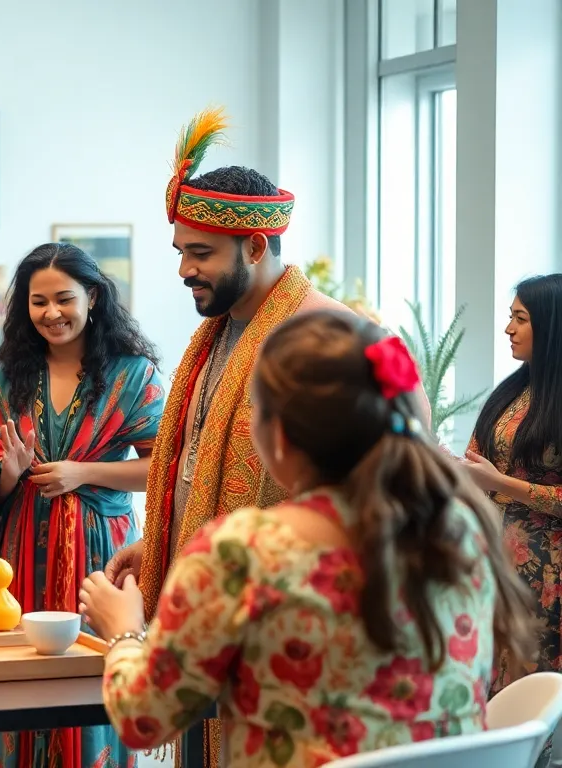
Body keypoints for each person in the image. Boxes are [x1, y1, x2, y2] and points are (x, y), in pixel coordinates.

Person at [105, 107, 432, 768]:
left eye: (201, 253)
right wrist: (165, 536)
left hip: (296, 635)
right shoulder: (216, 335)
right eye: (180, 253)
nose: (184, 270)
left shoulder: (329, 336)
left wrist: (126, 630)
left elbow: (403, 469)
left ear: (255, 246)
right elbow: (200, 459)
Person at [82, 309, 535, 767]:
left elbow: (144, 720)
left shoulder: (244, 554)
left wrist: (122, 627)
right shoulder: (458, 530)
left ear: (277, 437)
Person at [0, 242, 165, 768]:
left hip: (102, 553)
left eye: (63, 299)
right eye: (38, 302)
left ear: (92, 297)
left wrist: (83, 472)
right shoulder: (8, 377)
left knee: (96, 686)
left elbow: (163, 471)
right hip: (20, 555)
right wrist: (8, 471)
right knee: (23, 689)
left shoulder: (135, 374)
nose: (51, 313)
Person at [464, 277, 562, 699]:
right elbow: (477, 456)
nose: (509, 329)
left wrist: (498, 483)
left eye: (520, 319)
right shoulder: (512, 391)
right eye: (511, 317)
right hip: (492, 564)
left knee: (527, 694)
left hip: (546, 574)